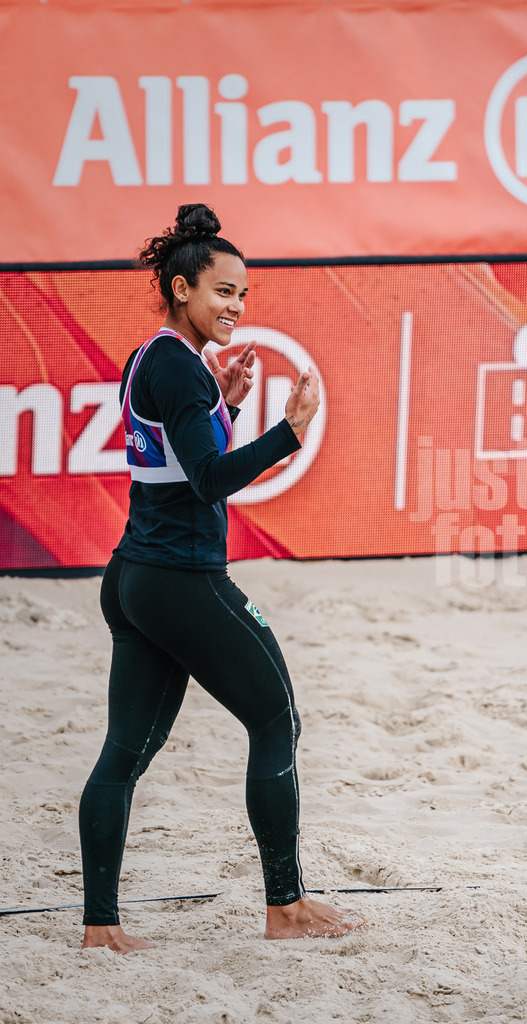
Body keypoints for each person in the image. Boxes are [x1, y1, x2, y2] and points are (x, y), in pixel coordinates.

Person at [78, 203, 367, 953]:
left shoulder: (157, 358)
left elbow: (177, 462)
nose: (236, 306)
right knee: (277, 723)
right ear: (181, 289)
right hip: (181, 580)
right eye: (222, 292)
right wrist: (288, 432)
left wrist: (229, 403)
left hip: (133, 577)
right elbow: (208, 481)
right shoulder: (180, 367)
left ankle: (101, 926)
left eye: (243, 294)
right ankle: (286, 907)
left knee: (123, 755)